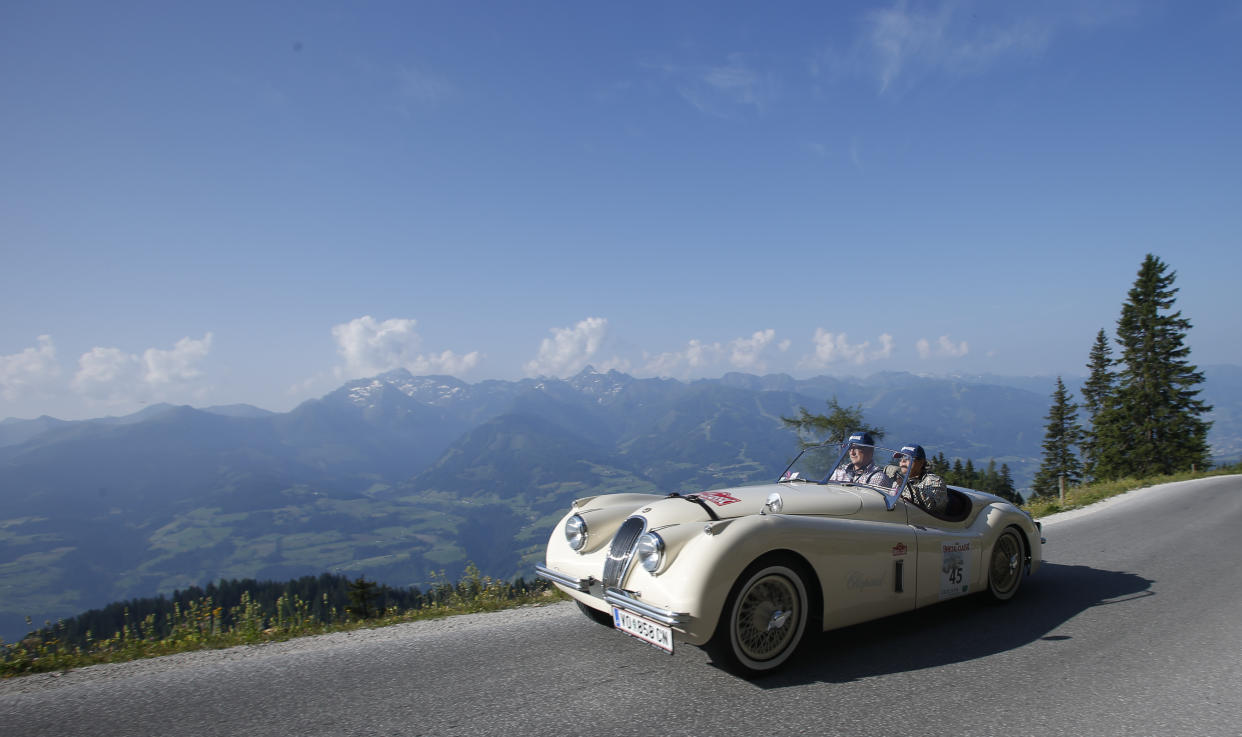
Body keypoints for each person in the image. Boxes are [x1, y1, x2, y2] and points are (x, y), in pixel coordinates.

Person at [893, 444, 948, 515]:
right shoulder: (898, 481)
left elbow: (931, 507)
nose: (902, 461)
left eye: (907, 457)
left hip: (927, 523)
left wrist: (904, 484)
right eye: (901, 457)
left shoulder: (934, 481)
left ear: (921, 462)